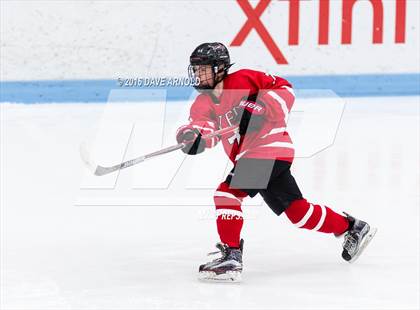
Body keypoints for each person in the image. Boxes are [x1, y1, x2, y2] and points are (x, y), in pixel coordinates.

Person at [176, 42, 376, 282]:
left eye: (203, 69)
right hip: (257, 156)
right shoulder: (203, 103)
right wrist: (192, 137)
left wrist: (261, 105)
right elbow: (201, 127)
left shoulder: (244, 79)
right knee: (297, 212)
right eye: (195, 70)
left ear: (219, 68)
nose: (198, 74)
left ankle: (231, 257)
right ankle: (351, 227)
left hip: (268, 148)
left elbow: (284, 88)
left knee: (227, 194)